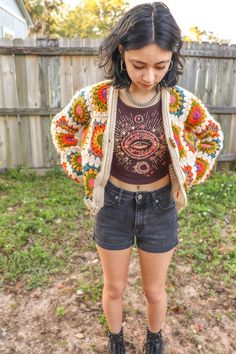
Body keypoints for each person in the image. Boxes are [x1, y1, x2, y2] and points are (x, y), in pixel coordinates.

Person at [51, 2, 224, 353]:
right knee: (114, 288)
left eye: (160, 66)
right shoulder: (98, 98)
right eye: (138, 65)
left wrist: (187, 173)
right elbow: (63, 127)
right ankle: (115, 340)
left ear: (172, 58)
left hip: (160, 208)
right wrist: (81, 169)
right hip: (112, 205)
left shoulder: (178, 102)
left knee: (154, 290)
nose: (149, 76)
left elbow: (211, 137)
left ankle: (154, 340)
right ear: (121, 52)